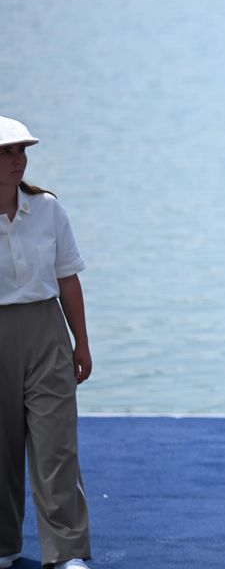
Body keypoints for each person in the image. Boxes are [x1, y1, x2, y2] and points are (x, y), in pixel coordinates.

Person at [0, 116, 93, 569]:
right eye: (7, 152)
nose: (19, 160)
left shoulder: (49, 209)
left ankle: (66, 553)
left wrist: (81, 342)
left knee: (57, 445)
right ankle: (2, 546)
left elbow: (67, 277)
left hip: (47, 331)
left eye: (22, 151)